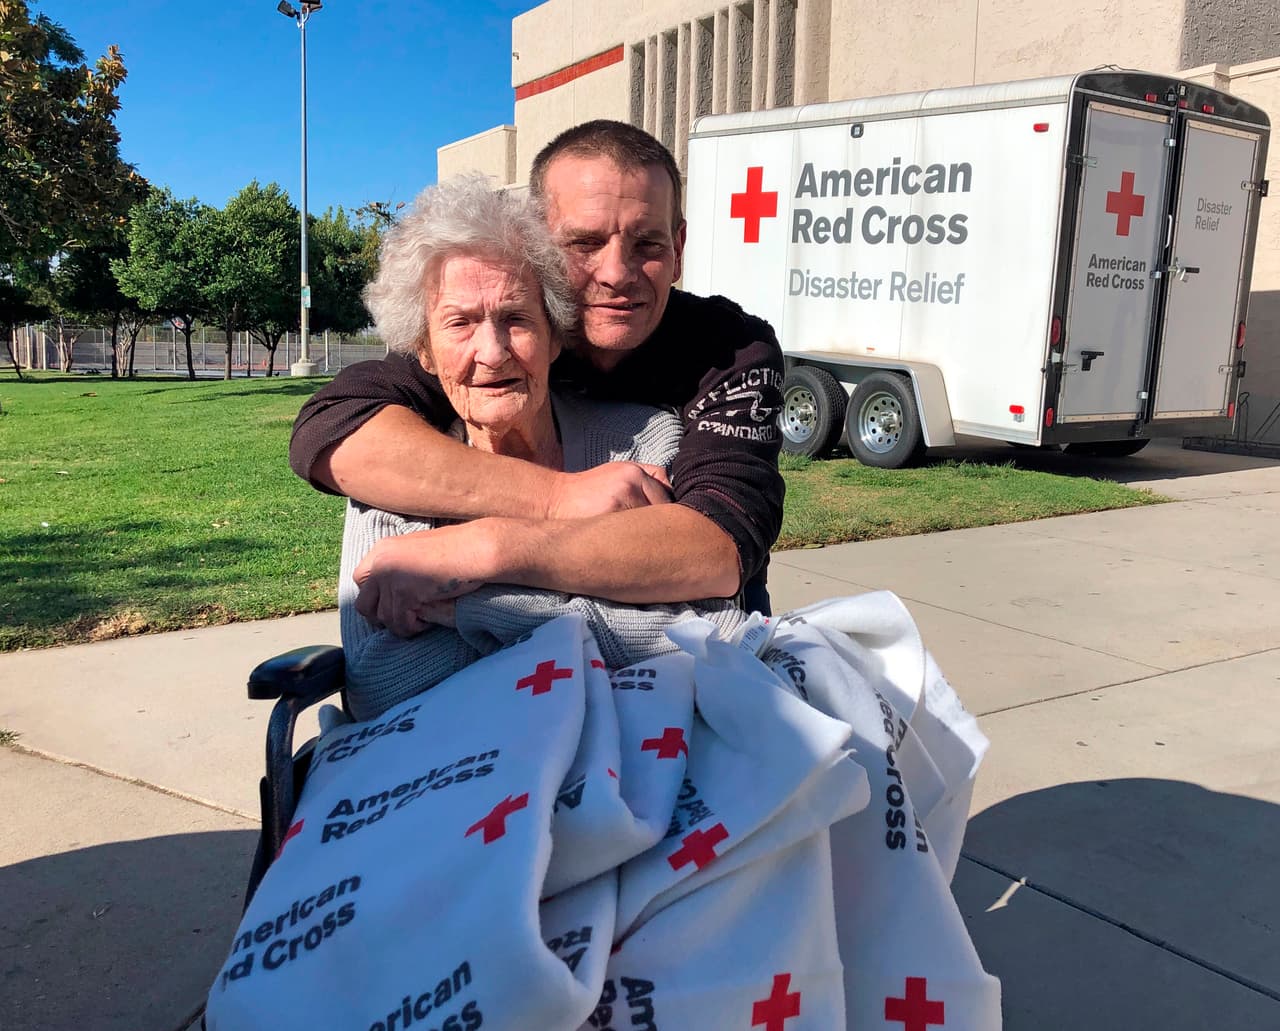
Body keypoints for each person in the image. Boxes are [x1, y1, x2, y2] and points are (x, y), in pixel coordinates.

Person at [289, 120, 784, 630]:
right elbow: (333, 430)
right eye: (586, 243)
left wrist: (486, 546)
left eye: (648, 245)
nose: (617, 273)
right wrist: (556, 498)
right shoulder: (506, 336)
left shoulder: (730, 349)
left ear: (678, 247)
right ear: (541, 244)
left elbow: (718, 548)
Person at [341, 176, 746, 720]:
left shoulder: (644, 440)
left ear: (555, 336)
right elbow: (378, 683)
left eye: (516, 320)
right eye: (459, 324)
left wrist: (464, 599)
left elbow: (713, 631)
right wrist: (598, 613)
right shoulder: (396, 473)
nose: (493, 352)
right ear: (426, 354)